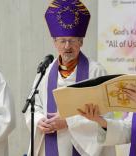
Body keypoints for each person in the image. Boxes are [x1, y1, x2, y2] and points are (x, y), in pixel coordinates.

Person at [24, 0, 116, 156]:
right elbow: (35, 105)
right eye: (62, 41)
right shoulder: (45, 72)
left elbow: (105, 115)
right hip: (49, 143)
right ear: (55, 43)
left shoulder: (96, 72)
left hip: (84, 147)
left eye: (72, 41)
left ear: (81, 42)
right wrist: (39, 120)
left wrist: (68, 122)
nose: (67, 46)